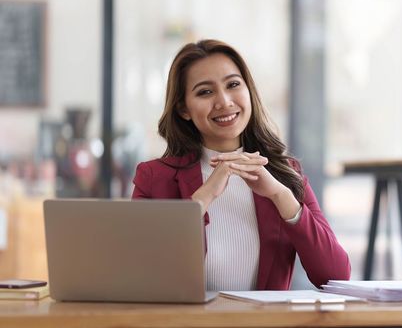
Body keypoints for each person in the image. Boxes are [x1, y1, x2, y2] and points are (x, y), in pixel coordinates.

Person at [131, 39, 350, 291]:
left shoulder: (285, 174)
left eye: (233, 85)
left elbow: (335, 275)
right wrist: (203, 197)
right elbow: (143, 275)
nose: (224, 101)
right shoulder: (154, 178)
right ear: (183, 108)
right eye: (205, 91)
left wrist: (281, 196)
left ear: (248, 91)